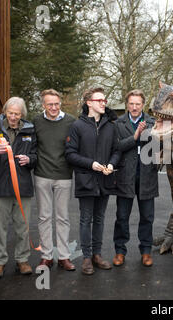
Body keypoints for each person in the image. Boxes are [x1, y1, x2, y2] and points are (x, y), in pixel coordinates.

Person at [0, 97, 37, 279]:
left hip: (22, 187)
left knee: (23, 227)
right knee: (0, 227)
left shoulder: (30, 130)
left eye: (17, 114)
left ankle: (22, 260)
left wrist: (30, 160)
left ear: (22, 115)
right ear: (5, 112)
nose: (13, 117)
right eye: (10, 113)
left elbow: (36, 155)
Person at [65, 87, 120, 275]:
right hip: (86, 180)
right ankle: (87, 258)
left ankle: (97, 255)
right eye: (99, 100)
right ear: (89, 103)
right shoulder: (77, 126)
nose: (103, 103)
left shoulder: (110, 126)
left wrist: (111, 165)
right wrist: (91, 164)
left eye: (105, 100)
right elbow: (70, 154)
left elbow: (117, 150)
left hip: (105, 180)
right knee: (85, 219)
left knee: (99, 219)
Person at [112, 89, 158, 267]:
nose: (134, 107)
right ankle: (120, 251)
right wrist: (136, 136)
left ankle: (146, 252)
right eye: (131, 103)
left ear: (143, 105)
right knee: (122, 217)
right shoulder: (119, 123)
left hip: (147, 177)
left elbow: (159, 144)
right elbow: (117, 146)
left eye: (138, 104)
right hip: (125, 177)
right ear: (127, 104)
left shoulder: (153, 122)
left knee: (147, 217)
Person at [33, 89, 76, 271]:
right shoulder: (36, 121)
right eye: (49, 104)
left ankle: (64, 257)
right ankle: (47, 256)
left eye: (56, 104)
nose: (53, 107)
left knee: (62, 217)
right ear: (43, 105)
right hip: (42, 174)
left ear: (60, 103)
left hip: (64, 175)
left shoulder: (71, 121)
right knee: (44, 217)